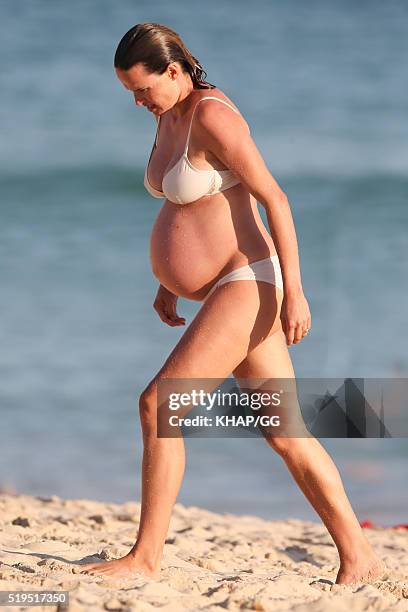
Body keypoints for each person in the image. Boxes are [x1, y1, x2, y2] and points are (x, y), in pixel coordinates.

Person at [80, 22, 386, 585]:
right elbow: (187, 205)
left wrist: (295, 292)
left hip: (248, 282)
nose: (137, 101)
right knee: (286, 430)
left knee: (158, 406)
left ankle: (145, 559)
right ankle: (361, 558)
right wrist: (169, 278)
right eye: (130, 91)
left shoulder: (213, 116)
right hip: (222, 286)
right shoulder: (167, 116)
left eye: (142, 89)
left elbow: (276, 199)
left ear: (173, 72)